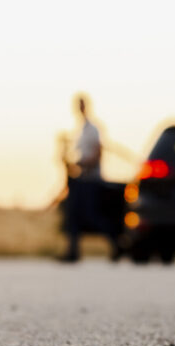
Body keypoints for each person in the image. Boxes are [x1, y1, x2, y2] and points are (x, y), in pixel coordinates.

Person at [59, 94, 121, 262]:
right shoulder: (80, 130)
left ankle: (116, 242)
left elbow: (96, 153)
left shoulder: (93, 128)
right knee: (74, 215)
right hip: (80, 179)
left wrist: (82, 165)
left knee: (91, 216)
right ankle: (73, 252)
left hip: (91, 180)